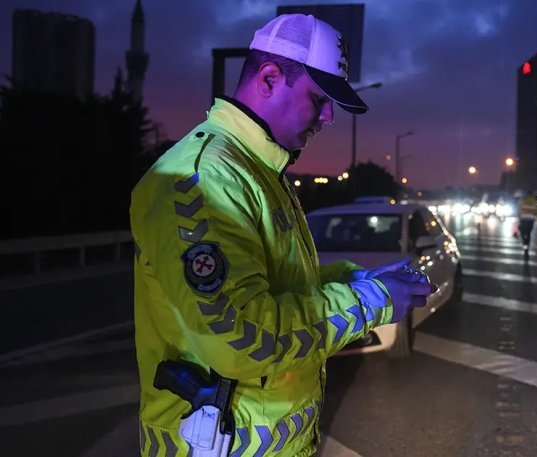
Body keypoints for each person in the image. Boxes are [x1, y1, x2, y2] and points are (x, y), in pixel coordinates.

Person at [130, 14, 432, 457]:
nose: (328, 117)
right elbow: (241, 337)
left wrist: (355, 280)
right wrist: (374, 300)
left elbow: (278, 283)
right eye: (319, 98)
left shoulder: (257, 170)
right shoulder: (204, 178)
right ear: (270, 78)